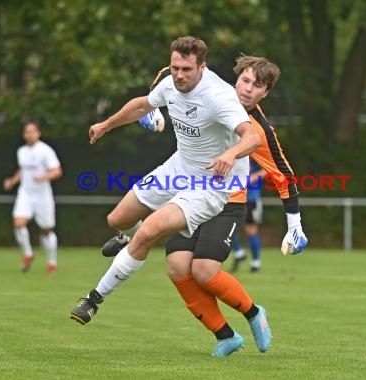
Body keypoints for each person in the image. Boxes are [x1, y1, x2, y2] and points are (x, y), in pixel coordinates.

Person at [69, 36, 261, 352]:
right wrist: (107, 124)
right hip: (178, 168)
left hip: (210, 185)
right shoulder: (171, 84)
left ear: (202, 67)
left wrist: (230, 155)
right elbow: (144, 104)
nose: (180, 75)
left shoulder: (219, 96)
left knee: (150, 230)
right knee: (118, 218)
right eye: (175, 68)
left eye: (187, 69)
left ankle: (94, 299)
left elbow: (251, 137)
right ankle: (126, 241)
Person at [115, 55, 307, 356]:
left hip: (227, 204)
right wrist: (152, 109)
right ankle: (225, 335)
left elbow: (282, 174)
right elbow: (171, 70)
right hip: (188, 195)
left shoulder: (259, 130)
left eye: (258, 86)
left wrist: (294, 224)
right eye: (245, 80)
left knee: (203, 270)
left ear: (265, 93)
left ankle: (254, 313)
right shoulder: (212, 93)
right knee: (177, 267)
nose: (248, 89)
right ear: (236, 78)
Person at [3, 120, 62, 273]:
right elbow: (23, 170)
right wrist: (12, 181)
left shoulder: (45, 150)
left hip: (42, 195)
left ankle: (51, 262)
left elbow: (57, 171)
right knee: (18, 223)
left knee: (46, 230)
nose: (30, 134)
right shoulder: (21, 151)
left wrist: (43, 177)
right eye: (27, 132)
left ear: (38, 133)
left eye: (33, 131)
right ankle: (28, 254)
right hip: (26, 194)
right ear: (24, 134)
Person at [230, 158, 266, 273]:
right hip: (233, 197)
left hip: (252, 199)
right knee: (229, 227)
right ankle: (239, 252)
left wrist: (251, 179)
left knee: (251, 230)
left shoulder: (256, 154)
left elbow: (267, 169)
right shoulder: (233, 151)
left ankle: (255, 262)